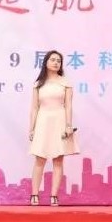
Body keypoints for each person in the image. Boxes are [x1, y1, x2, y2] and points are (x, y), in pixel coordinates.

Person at [28, 50, 79, 206]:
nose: (56, 63)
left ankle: (54, 196)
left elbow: (68, 106)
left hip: (60, 121)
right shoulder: (38, 84)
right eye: (53, 60)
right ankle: (34, 194)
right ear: (46, 62)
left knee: (58, 159)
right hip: (43, 121)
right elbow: (34, 108)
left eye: (59, 61)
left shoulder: (66, 83)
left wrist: (68, 125)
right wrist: (32, 128)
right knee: (40, 159)